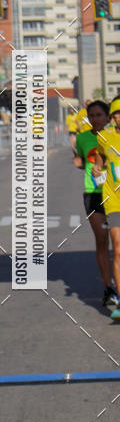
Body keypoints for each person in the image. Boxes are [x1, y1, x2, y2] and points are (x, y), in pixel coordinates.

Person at [73, 100, 118, 309]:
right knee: (102, 241)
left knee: (117, 244)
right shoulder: (82, 138)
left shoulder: (112, 135)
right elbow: (85, 162)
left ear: (107, 116)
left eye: (99, 115)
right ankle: (109, 288)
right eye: (91, 115)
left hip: (114, 194)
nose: (95, 119)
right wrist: (82, 165)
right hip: (94, 193)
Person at [94, 98, 120, 321]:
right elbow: (99, 159)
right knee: (118, 248)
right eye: (117, 113)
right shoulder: (105, 136)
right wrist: (97, 169)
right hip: (114, 200)